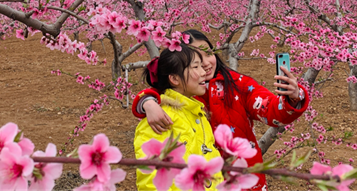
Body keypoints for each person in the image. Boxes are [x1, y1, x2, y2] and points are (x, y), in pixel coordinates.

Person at [132, 30, 310, 191]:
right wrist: (147, 102)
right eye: (197, 61)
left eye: (208, 53)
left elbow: (271, 110)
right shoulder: (185, 94)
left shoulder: (237, 84)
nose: (205, 64)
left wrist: (292, 97)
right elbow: (160, 93)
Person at [134, 43, 223, 191]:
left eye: (202, 66)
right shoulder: (160, 119)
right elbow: (152, 182)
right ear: (174, 79)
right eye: (196, 67)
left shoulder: (197, 113)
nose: (203, 72)